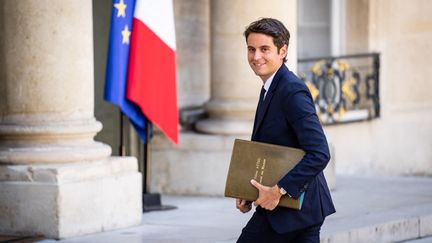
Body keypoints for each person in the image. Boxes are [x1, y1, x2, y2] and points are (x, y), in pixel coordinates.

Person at [235, 18, 336, 243]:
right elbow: (270, 148)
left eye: (264, 49)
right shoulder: (271, 86)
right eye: (251, 49)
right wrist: (249, 191)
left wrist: (278, 191)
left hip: (296, 209)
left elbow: (319, 153)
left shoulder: (292, 91)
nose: (255, 57)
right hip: (288, 209)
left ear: (282, 51)